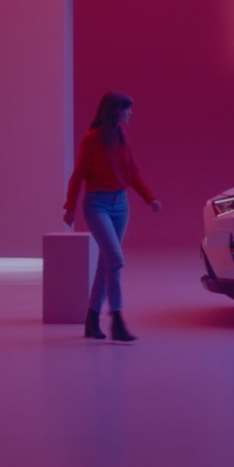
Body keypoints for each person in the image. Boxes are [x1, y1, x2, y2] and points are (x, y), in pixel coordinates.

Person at [63, 91, 161, 342]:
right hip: (97, 204)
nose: (130, 113)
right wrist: (70, 206)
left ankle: (92, 319)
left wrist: (149, 197)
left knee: (105, 263)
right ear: (113, 111)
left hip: (120, 204)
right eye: (126, 109)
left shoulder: (122, 138)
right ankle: (117, 319)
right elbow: (79, 173)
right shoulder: (92, 139)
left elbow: (133, 172)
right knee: (115, 259)